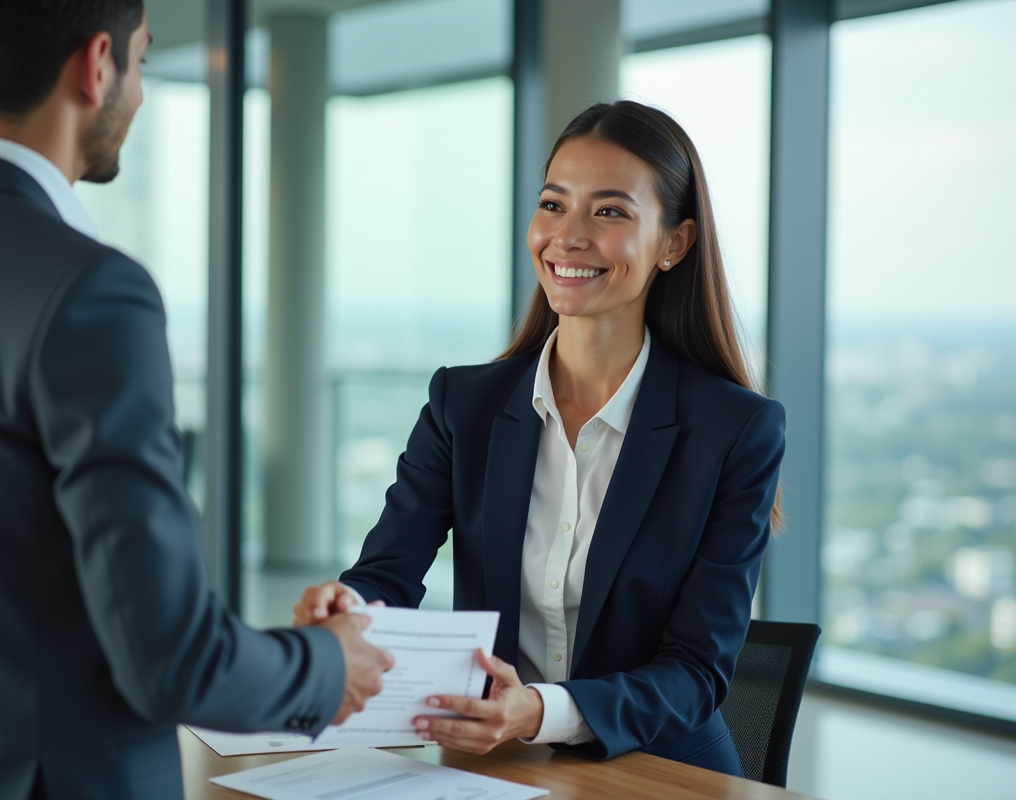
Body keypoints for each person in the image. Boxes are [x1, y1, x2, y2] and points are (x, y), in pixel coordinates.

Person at [0, 2, 392, 799]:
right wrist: (328, 664)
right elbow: (172, 661)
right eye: (142, 61)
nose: (142, 91)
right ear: (97, 66)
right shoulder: (92, 292)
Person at [294, 100, 785, 775]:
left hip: (658, 771)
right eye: (553, 205)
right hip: (494, 764)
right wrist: (348, 608)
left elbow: (696, 671)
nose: (568, 235)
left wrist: (541, 710)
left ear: (674, 244)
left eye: (609, 212)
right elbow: (387, 573)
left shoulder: (735, 430)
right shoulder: (462, 405)